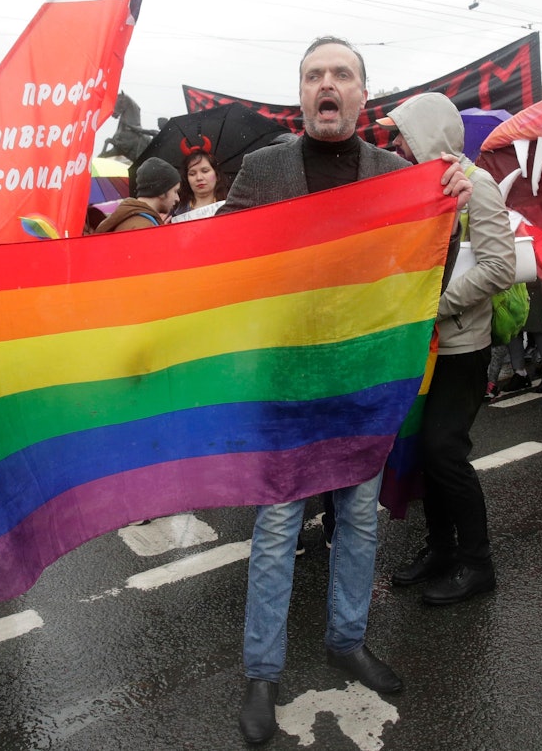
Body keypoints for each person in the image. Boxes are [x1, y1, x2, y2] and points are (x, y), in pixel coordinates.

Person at [221, 36, 472, 745]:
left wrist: (447, 212)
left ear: (363, 94)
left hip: (362, 382)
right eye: (313, 76)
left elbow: (426, 271)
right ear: (300, 94)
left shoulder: (395, 174)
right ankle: (262, 672)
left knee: (359, 519)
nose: (325, 84)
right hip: (286, 383)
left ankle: (347, 640)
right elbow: (223, 265)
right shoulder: (264, 170)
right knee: (277, 528)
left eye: (340, 74)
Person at [378, 93, 515, 605]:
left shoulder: (478, 186)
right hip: (424, 346)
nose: (396, 143)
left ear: (428, 133)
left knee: (443, 449)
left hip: (462, 345)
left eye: (403, 133)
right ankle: (440, 549)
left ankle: (478, 564)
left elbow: (500, 268)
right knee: (424, 450)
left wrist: (434, 307)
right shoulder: (420, 186)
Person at [94, 156, 180, 233]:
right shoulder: (143, 228)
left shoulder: (138, 221)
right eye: (175, 191)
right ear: (162, 191)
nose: (177, 198)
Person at [172, 146, 228, 218]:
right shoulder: (176, 213)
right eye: (192, 174)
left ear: (217, 175)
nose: (199, 178)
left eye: (205, 171)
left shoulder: (230, 208)